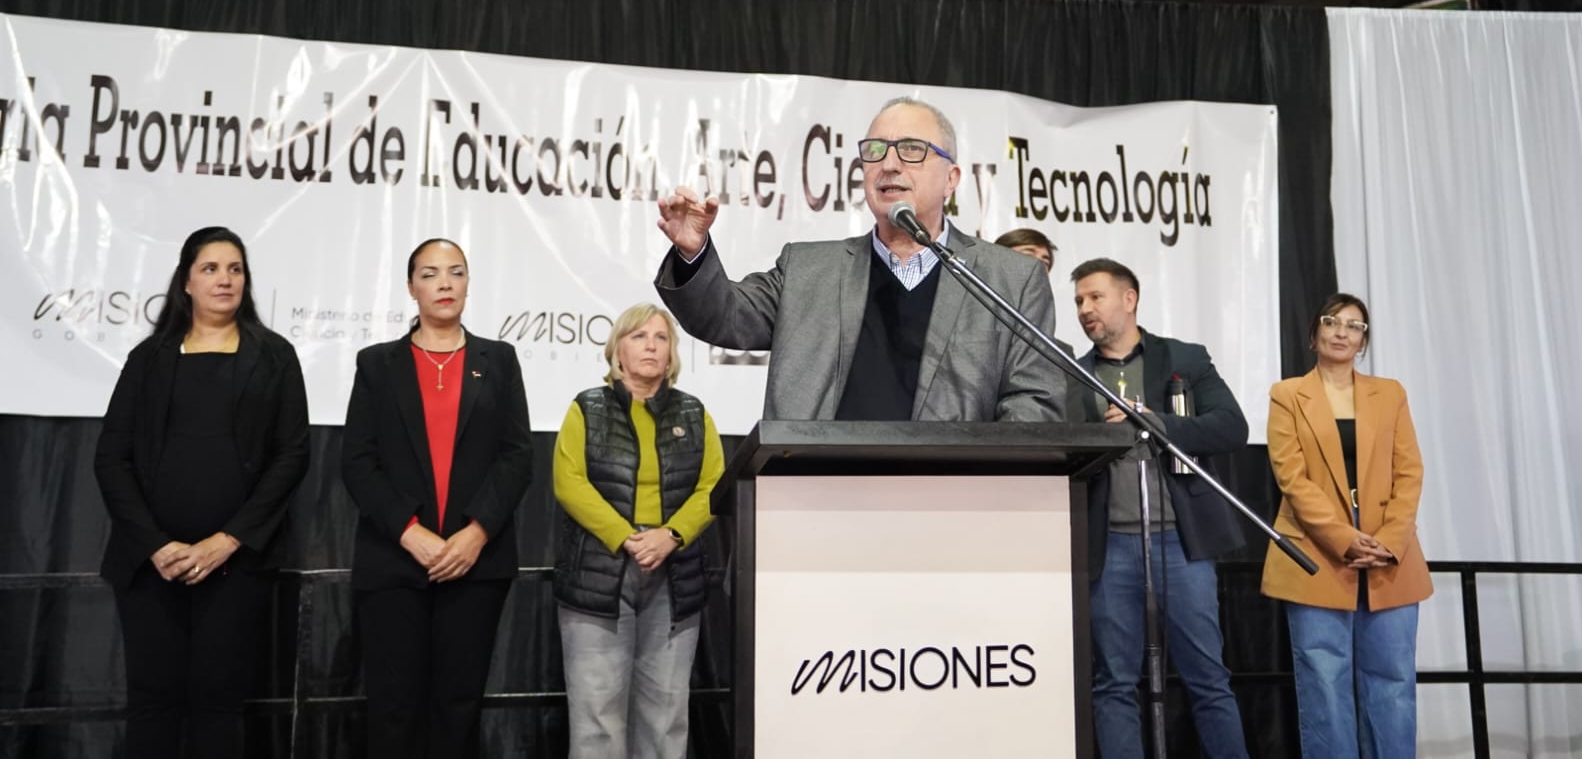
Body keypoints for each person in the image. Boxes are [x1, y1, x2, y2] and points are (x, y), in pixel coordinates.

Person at [655, 96, 1066, 423]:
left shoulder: (1010, 278)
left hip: (953, 506)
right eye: (875, 151)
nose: (888, 164)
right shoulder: (808, 270)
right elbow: (724, 315)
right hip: (822, 499)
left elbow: (1034, 402)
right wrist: (692, 252)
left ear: (951, 180)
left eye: (911, 150)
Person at [94, 225, 310, 758]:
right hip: (151, 568)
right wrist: (155, 544)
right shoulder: (149, 359)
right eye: (211, 268)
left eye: (235, 269)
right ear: (186, 281)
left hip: (235, 566)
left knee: (219, 706)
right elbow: (111, 458)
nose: (225, 279)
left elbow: (292, 456)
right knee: (152, 703)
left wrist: (228, 540)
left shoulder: (275, 356)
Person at [341, 238, 533, 759]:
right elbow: (358, 462)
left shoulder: (500, 360)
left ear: (469, 284)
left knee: (458, 707)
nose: (444, 284)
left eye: (455, 272)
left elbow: (517, 456)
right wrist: (411, 533)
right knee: (393, 708)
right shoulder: (377, 364)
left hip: (476, 563)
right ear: (410, 287)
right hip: (394, 562)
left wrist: (476, 533)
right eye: (429, 274)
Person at [1070, 257, 1249, 759]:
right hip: (1110, 546)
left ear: (1129, 299)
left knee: (1208, 678)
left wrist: (1159, 424)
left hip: (1180, 540)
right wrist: (1093, 439)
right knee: (1113, 682)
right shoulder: (1074, 375)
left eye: (1095, 297)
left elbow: (1231, 428)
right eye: (1079, 301)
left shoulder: (1184, 359)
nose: (1085, 309)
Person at [1261, 294, 1432, 758]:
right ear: (1314, 334)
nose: (1342, 331)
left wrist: (1390, 539)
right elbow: (1291, 478)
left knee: (1392, 681)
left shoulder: (1390, 392)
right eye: (1332, 322)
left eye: (1354, 326)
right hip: (1316, 551)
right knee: (1323, 682)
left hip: (1387, 551)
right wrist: (1342, 537)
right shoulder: (1287, 395)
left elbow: (1409, 471)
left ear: (1363, 341)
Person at [553, 303, 724, 759]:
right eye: (638, 336)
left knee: (666, 719)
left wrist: (670, 535)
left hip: (674, 576)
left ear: (671, 355)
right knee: (596, 721)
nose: (651, 345)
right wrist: (626, 536)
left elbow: (713, 486)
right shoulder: (586, 408)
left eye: (661, 338)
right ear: (617, 351)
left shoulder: (694, 413)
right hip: (600, 575)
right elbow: (568, 481)